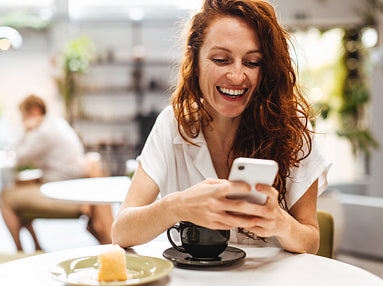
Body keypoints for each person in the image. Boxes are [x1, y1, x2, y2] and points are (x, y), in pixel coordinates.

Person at [111, 0, 331, 254]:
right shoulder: (172, 125)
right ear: (195, 61)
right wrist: (177, 206)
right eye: (221, 59)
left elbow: (311, 241)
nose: (237, 76)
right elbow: (121, 232)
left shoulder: (291, 129)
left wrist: (281, 223)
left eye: (251, 62)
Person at [0, 94, 113, 251]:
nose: (22, 120)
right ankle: (36, 248)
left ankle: (20, 251)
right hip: (75, 185)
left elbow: (18, 158)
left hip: (63, 192)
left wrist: (26, 130)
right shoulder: (56, 122)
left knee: (5, 197)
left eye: (23, 116)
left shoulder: (43, 132)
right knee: (19, 190)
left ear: (35, 111)